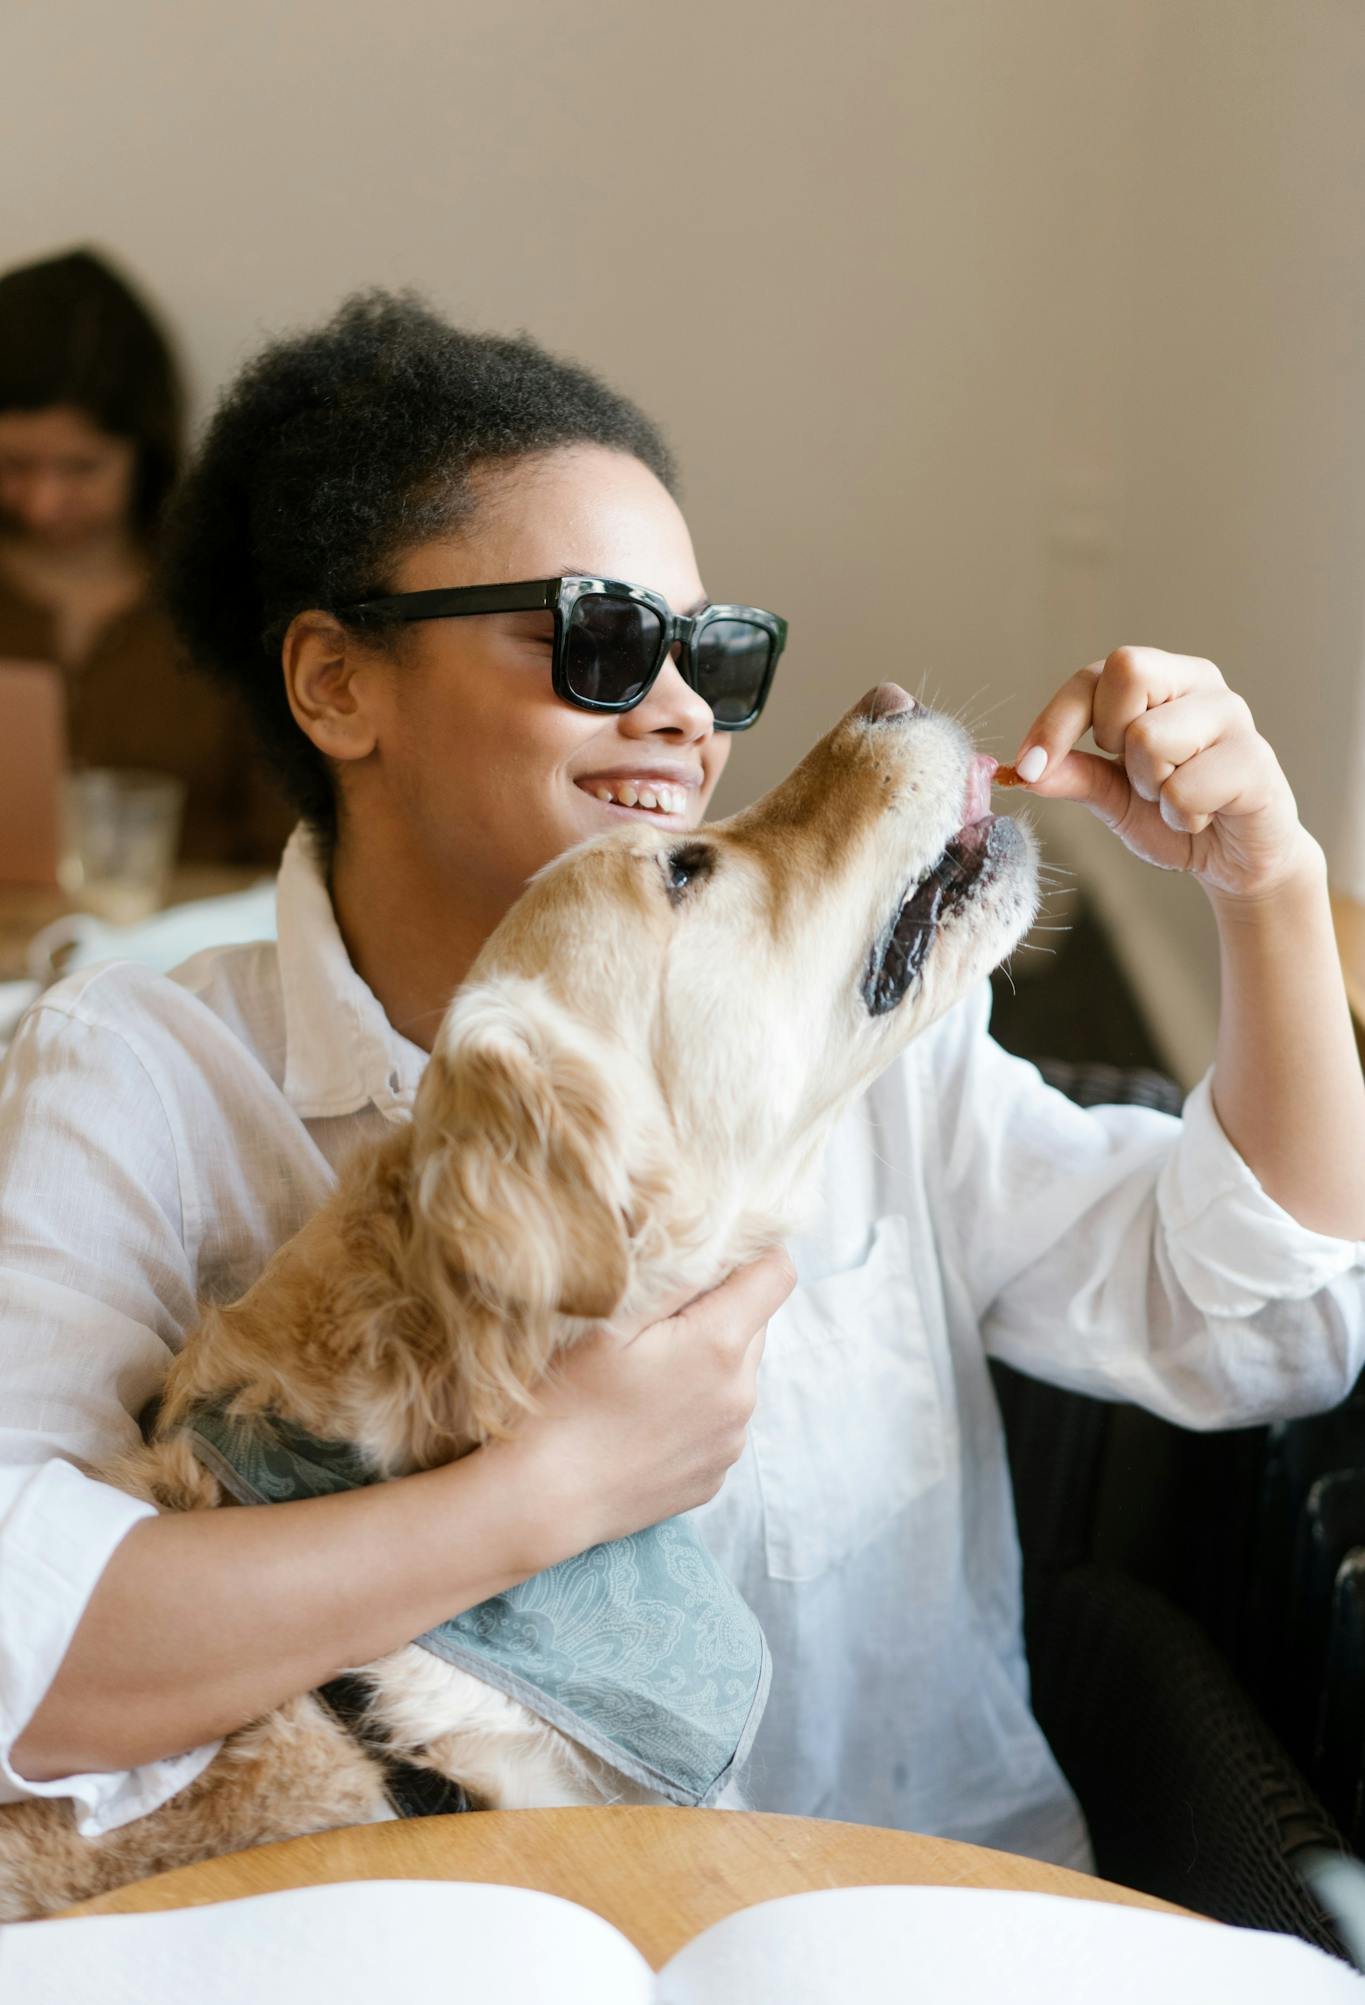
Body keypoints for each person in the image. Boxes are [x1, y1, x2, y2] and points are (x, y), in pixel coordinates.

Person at [1, 291, 1362, 1872]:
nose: (681, 716)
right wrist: (549, 1488)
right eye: (596, 638)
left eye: (711, 656)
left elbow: (1267, 1324)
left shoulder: (851, 1061)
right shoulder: (145, 1083)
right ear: (334, 685)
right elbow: (22, 1644)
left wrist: (1266, 884)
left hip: (900, 1922)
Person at [0, 248, 289, 864]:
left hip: (186, 950)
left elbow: (290, 848)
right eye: (13, 465)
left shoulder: (231, 593)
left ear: (144, 452)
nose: (44, 504)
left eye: (81, 468)